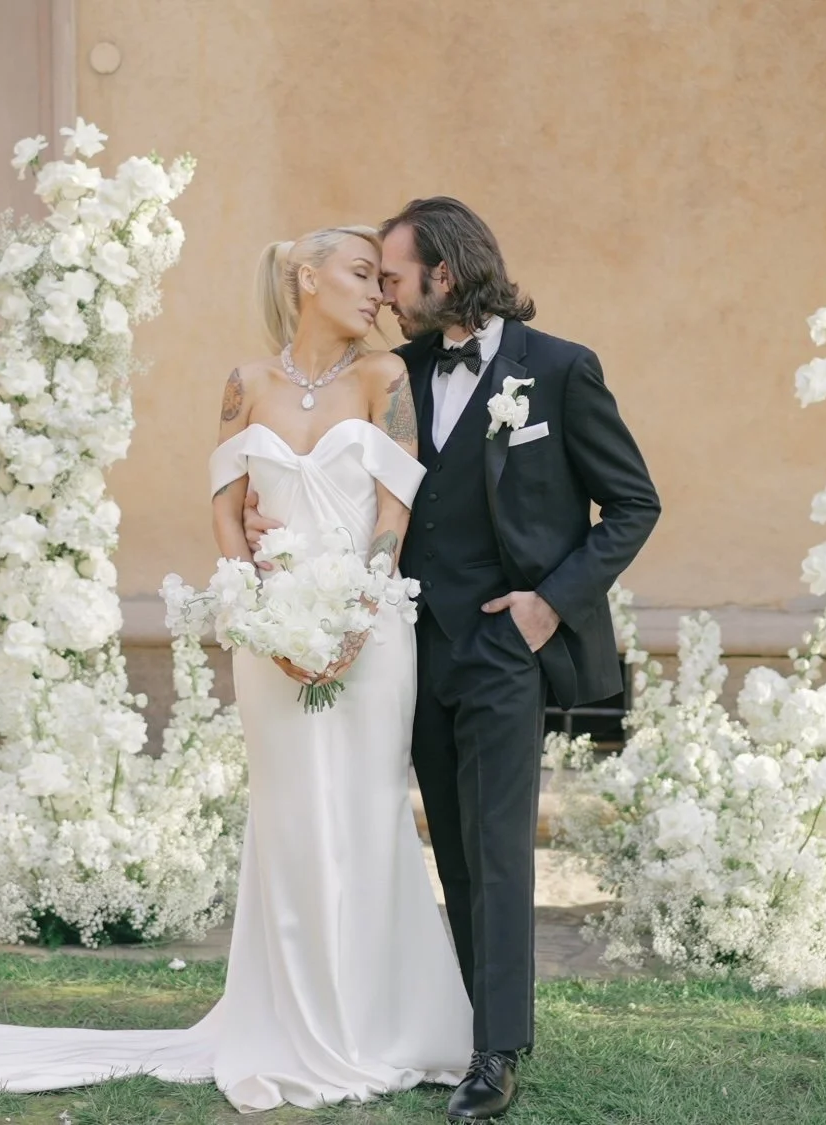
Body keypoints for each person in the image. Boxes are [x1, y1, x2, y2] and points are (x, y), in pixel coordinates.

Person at [0, 226, 474, 1113]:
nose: (378, 294)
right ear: (305, 277)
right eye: (359, 275)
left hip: (371, 637)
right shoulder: (245, 383)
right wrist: (256, 610)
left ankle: (379, 1024)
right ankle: (293, 1020)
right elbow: (227, 514)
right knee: (292, 816)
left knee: (368, 811)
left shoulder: (388, 379)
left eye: (383, 282)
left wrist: (356, 616)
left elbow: (394, 509)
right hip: (267, 636)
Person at [245, 198, 660, 1121]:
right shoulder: (398, 371)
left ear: (447, 270)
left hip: (506, 647)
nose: (385, 295)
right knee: (452, 854)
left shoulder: (558, 371)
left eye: (394, 277)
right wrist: (262, 518)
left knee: (500, 848)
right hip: (406, 645)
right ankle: (459, 1023)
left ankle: (497, 1053)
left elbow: (633, 504)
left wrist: (549, 603)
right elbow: (331, 467)